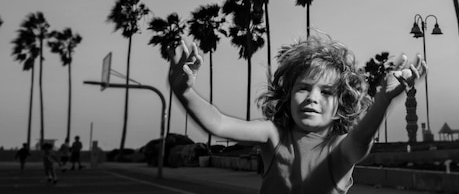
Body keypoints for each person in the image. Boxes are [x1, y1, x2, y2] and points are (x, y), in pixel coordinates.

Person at [169, 35, 425, 194]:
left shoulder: (340, 148)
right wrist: (185, 92)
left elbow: (361, 140)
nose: (313, 97)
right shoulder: (273, 135)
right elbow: (219, 123)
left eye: (326, 92)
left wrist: (382, 101)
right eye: (303, 88)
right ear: (288, 96)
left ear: (340, 106)